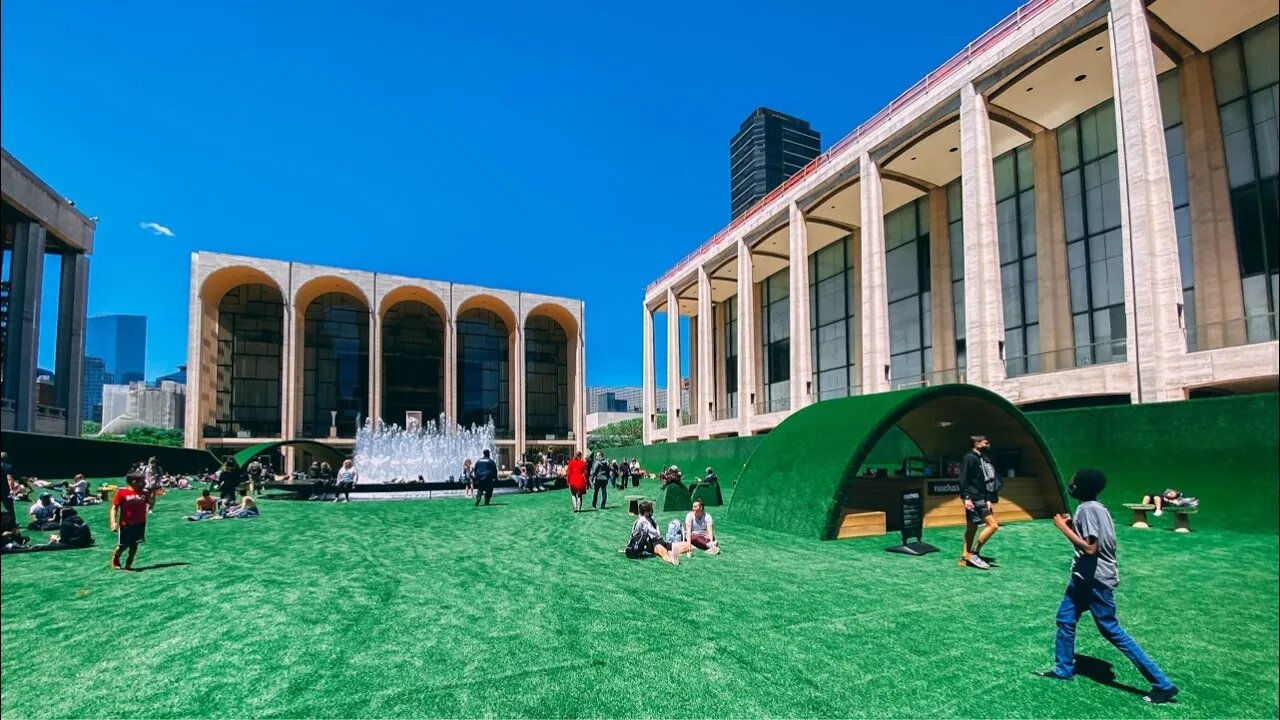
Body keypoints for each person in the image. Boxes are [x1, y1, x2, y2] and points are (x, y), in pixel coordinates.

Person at [1039, 469, 1180, 705]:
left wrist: (1062, 528)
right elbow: (1093, 538)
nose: (1070, 483)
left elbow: (1090, 548)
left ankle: (1162, 684)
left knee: (1110, 630)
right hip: (1082, 579)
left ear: (1079, 487)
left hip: (1095, 581)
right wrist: (1072, 524)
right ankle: (1063, 669)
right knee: (1065, 618)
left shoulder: (1087, 509)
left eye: (1073, 481)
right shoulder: (1097, 507)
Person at [959, 434, 1000, 570]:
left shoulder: (984, 458)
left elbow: (986, 480)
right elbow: (963, 479)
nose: (987, 444)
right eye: (984, 442)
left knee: (972, 527)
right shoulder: (969, 458)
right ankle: (974, 552)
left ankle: (965, 555)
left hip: (982, 497)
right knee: (993, 525)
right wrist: (966, 498)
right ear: (976, 444)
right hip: (974, 497)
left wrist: (988, 498)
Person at [625, 501, 694, 566]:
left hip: (661, 541)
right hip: (652, 544)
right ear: (646, 512)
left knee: (687, 545)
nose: (652, 511)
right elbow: (635, 535)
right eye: (651, 510)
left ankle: (672, 552)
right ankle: (671, 559)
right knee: (663, 552)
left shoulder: (652, 519)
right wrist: (630, 546)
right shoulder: (640, 522)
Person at [109, 473, 150, 571]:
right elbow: (114, 508)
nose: (143, 482)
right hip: (126, 524)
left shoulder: (144, 493)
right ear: (134, 481)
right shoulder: (122, 493)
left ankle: (129, 563)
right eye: (141, 480)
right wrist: (113, 522)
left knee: (135, 544)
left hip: (140, 523)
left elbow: (149, 502)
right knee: (122, 545)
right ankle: (116, 558)